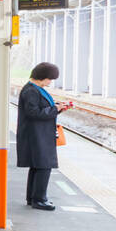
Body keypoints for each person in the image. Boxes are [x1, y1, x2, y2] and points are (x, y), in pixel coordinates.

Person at [16, 62, 70, 211]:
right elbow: (33, 112)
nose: (50, 82)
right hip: (37, 135)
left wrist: (57, 108)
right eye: (49, 79)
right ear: (42, 77)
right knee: (44, 166)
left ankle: (33, 198)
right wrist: (55, 109)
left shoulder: (35, 89)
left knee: (37, 166)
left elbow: (40, 109)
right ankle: (39, 200)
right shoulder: (31, 91)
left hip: (39, 133)